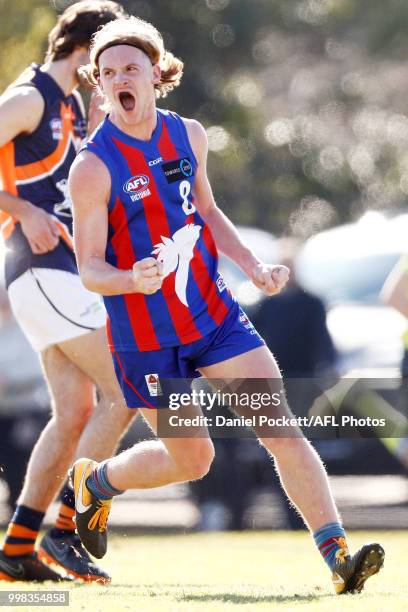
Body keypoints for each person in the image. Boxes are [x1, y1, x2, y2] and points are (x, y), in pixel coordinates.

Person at [69, 16, 384, 594]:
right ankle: (98, 484)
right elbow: (88, 269)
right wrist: (129, 278)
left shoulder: (188, 135)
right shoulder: (92, 168)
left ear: (156, 73)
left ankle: (338, 557)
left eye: (130, 68)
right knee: (194, 460)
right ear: (99, 82)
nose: (118, 80)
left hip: (213, 320)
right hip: (147, 340)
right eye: (107, 72)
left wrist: (253, 267)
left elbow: (208, 214)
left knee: (282, 430)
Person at [0, 1, 135, 583]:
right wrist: (19, 208)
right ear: (89, 47)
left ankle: (18, 547)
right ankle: (64, 528)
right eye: (112, 54)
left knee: (77, 410)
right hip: (38, 270)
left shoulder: (75, 105)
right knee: (126, 384)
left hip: (58, 273)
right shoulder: (29, 97)